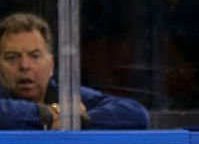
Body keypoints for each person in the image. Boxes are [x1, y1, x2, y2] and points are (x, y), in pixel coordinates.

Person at [0, 12, 149, 129]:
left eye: (35, 56)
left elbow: (136, 114)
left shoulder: (64, 95)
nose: (25, 66)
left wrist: (79, 120)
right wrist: (50, 115)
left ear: (51, 65)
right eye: (12, 57)